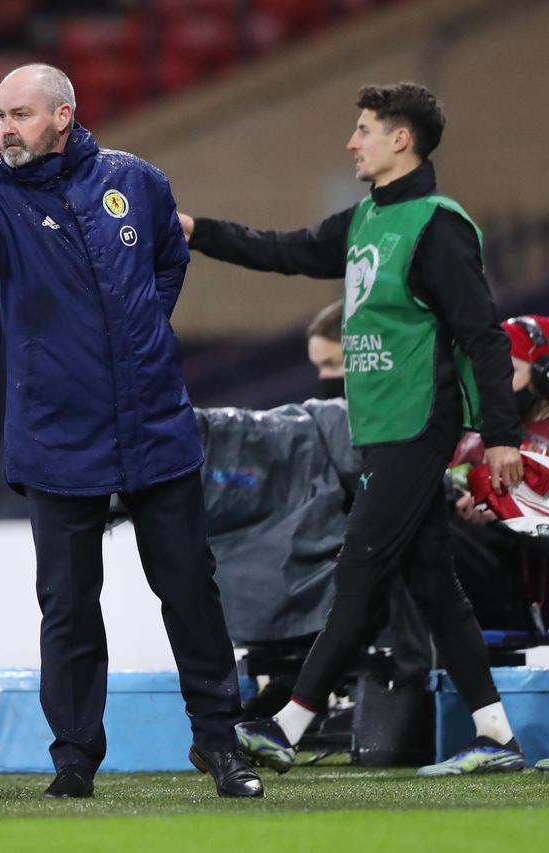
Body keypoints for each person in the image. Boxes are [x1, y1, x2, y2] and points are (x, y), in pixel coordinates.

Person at [182, 82, 526, 776]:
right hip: (381, 424)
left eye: (364, 129)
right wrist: (197, 231)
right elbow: (282, 250)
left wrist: (500, 434)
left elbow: (484, 338)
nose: (352, 142)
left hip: (417, 423)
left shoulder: (439, 224)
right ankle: (497, 737)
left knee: (359, 567)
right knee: (432, 582)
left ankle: (287, 724)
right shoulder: (368, 218)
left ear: (402, 140)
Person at [0, 63, 261, 799]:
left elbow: (169, 263)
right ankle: (75, 757)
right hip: (57, 434)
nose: (5, 129)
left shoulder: (137, 180)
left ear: (62, 115)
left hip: (153, 423)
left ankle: (219, 740)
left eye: (19, 114)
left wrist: (142, 335)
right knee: (69, 603)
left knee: (190, 589)